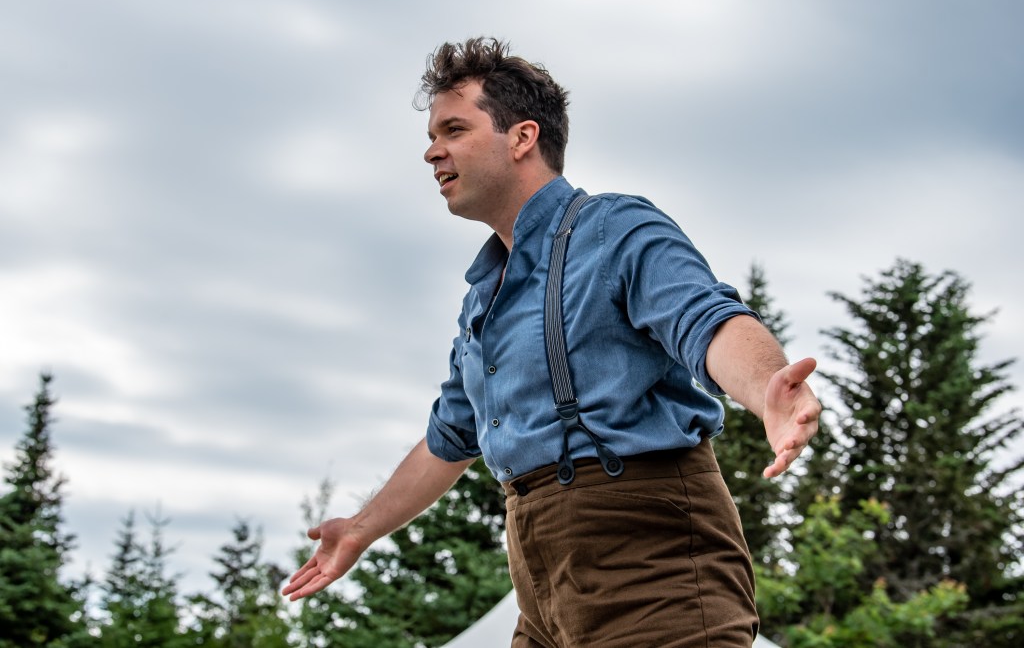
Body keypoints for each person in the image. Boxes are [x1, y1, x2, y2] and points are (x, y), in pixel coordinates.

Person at [283, 37, 821, 648]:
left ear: (522, 137)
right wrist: (360, 529)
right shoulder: (482, 295)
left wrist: (767, 387)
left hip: (653, 567)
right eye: (432, 136)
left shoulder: (613, 229)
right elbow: (449, 437)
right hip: (540, 589)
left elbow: (706, 319)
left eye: (454, 129)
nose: (432, 151)